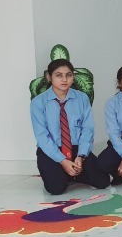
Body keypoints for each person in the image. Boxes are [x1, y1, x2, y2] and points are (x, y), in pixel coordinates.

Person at [31, 58, 111, 195]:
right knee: (56, 189)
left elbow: (87, 129)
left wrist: (81, 156)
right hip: (51, 151)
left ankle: (74, 171)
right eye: (59, 75)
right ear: (49, 77)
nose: (64, 79)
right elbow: (42, 136)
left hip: (76, 149)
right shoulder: (38, 102)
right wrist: (62, 161)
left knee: (103, 182)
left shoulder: (82, 98)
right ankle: (67, 172)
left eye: (68, 75)